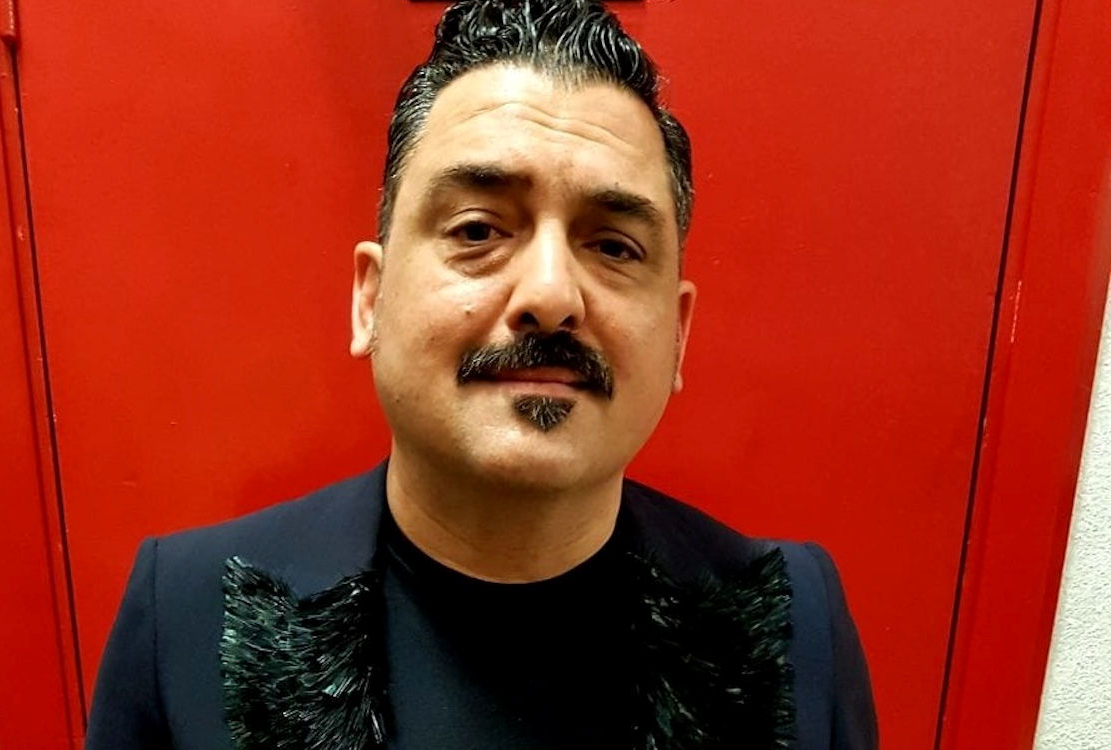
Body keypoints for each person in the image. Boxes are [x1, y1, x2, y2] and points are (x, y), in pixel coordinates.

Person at [85, 1, 878, 748]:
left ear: (677, 335)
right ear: (370, 299)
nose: (550, 295)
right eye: (477, 230)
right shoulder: (184, 615)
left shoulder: (795, 621)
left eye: (613, 246)